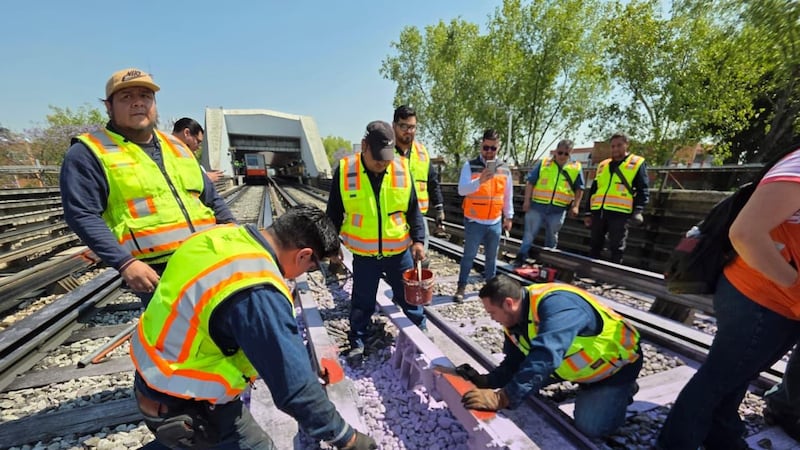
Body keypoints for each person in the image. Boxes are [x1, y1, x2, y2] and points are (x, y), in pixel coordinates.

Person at [130, 204, 376, 450]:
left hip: (153, 374)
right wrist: (347, 438)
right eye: (310, 267)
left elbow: (233, 328)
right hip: (185, 398)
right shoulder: (256, 289)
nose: (301, 274)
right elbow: (295, 390)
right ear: (303, 255)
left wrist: (297, 359)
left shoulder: (216, 237)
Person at [657, 147, 800, 450]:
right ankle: (675, 444)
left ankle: (721, 435)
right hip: (761, 295)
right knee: (719, 377)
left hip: (776, 297)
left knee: (738, 372)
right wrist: (796, 287)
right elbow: (746, 234)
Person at [59, 68, 234, 306]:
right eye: (126, 97)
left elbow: (209, 197)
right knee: (180, 337)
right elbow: (82, 214)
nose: (138, 103)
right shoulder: (88, 152)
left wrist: (232, 228)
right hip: (157, 271)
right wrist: (125, 263)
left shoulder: (177, 146)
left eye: (145, 96)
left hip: (209, 255)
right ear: (109, 107)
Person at [455, 275, 642, 437]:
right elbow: (514, 362)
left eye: (492, 312)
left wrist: (503, 398)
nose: (491, 318)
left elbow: (545, 355)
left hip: (612, 369)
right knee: (523, 382)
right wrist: (487, 381)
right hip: (571, 367)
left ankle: (623, 391)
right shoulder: (514, 318)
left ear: (508, 303)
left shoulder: (558, 305)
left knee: (591, 428)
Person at [326, 120, 426, 357]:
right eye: (377, 157)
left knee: (410, 298)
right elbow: (333, 213)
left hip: (399, 252)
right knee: (362, 301)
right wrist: (331, 247)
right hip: (365, 256)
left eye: (386, 158)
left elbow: (413, 210)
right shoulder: (345, 171)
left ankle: (421, 334)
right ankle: (357, 340)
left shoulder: (401, 168)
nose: (382, 163)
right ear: (364, 146)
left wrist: (419, 241)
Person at [454, 129, 514, 302]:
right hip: (474, 220)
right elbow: (461, 190)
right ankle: (461, 287)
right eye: (486, 148)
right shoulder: (470, 166)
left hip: (494, 220)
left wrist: (508, 216)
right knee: (469, 256)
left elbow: (507, 195)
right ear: (481, 145)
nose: (489, 152)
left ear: (498, 147)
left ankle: (491, 290)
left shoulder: (504, 169)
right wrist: (480, 181)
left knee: (491, 258)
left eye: (493, 149)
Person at [514, 139, 584, 265]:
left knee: (552, 236)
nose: (562, 156)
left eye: (566, 154)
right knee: (529, 235)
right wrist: (526, 201)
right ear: (556, 151)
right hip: (537, 206)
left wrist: (576, 206)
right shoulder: (544, 163)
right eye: (560, 152)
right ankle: (521, 258)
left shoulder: (575, 168)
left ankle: (548, 262)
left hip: (558, 209)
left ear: (571, 153)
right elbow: (530, 182)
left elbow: (580, 188)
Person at [583, 132, 649, 264]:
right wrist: (588, 212)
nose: (615, 149)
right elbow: (594, 190)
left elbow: (643, 189)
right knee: (595, 243)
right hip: (599, 211)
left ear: (626, 145)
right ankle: (589, 272)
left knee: (616, 246)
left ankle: (612, 276)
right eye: (613, 146)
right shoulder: (603, 165)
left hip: (620, 213)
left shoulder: (636, 163)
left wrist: (638, 210)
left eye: (619, 145)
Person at [393, 105, 446, 257]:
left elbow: (432, 182)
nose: (408, 131)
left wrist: (439, 207)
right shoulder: (386, 153)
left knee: (420, 259)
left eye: (412, 127)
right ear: (394, 126)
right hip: (395, 218)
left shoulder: (422, 152)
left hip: (419, 217)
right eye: (404, 126)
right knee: (398, 263)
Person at [172, 117, 223, 183]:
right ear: (186, 133)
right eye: (198, 141)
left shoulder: (170, 149)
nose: (199, 147)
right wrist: (205, 179)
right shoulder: (167, 152)